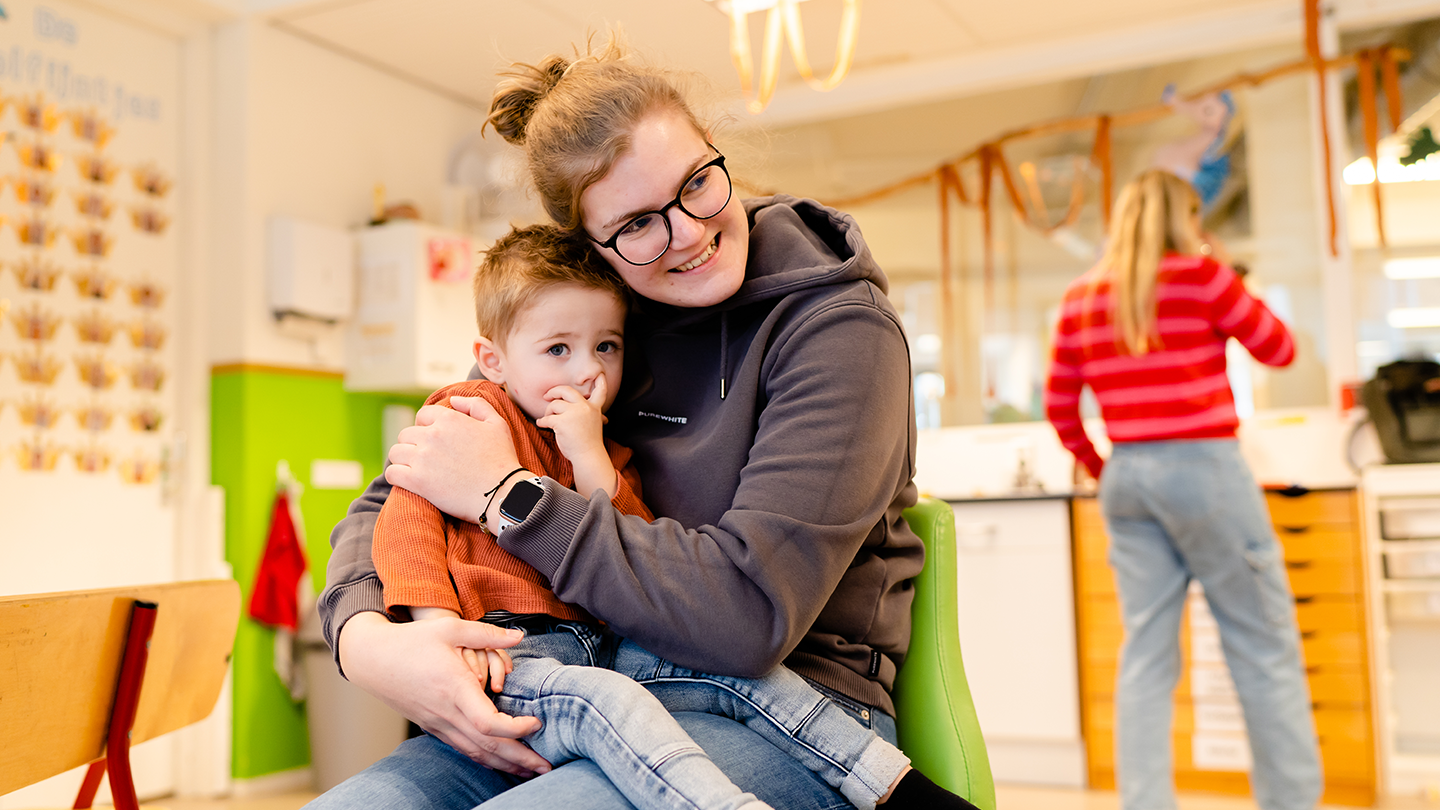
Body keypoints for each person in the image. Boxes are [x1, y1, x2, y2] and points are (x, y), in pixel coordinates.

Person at [315, 33, 946, 810]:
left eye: (698, 183)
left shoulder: (840, 333)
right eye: (639, 224)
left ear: (718, 153)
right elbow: (410, 480)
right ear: (591, 249)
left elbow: (748, 618)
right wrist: (369, 642)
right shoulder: (587, 326)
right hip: (583, 683)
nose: (688, 232)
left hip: (793, 713)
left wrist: (511, 499)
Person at [359, 223, 961, 810]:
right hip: (504, 653)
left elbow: (626, 538)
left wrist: (589, 454)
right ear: (493, 360)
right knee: (608, 707)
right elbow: (403, 523)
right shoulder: (470, 412)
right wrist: (434, 634)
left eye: (607, 347)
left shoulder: (603, 439)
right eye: (558, 350)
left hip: (604, 647)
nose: (586, 371)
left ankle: (889, 784)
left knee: (750, 683)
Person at [1044, 169, 1321, 810]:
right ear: (1186, 218)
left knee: (1146, 653)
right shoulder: (1202, 278)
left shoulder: (1083, 295)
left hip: (1129, 476)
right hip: (1204, 471)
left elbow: (1060, 404)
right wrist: (1224, 270)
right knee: (1262, 642)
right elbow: (1279, 349)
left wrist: (1100, 463)